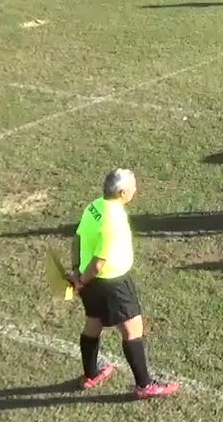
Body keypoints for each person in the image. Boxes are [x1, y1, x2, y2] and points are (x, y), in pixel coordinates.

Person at [70, 169, 179, 399]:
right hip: (113, 283)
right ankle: (145, 385)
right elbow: (99, 263)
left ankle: (91, 375)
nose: (135, 190)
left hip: (89, 280)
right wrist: (83, 280)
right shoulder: (114, 220)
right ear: (122, 192)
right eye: (133, 187)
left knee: (93, 323)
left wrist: (76, 272)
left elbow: (78, 237)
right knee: (133, 330)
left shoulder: (94, 206)